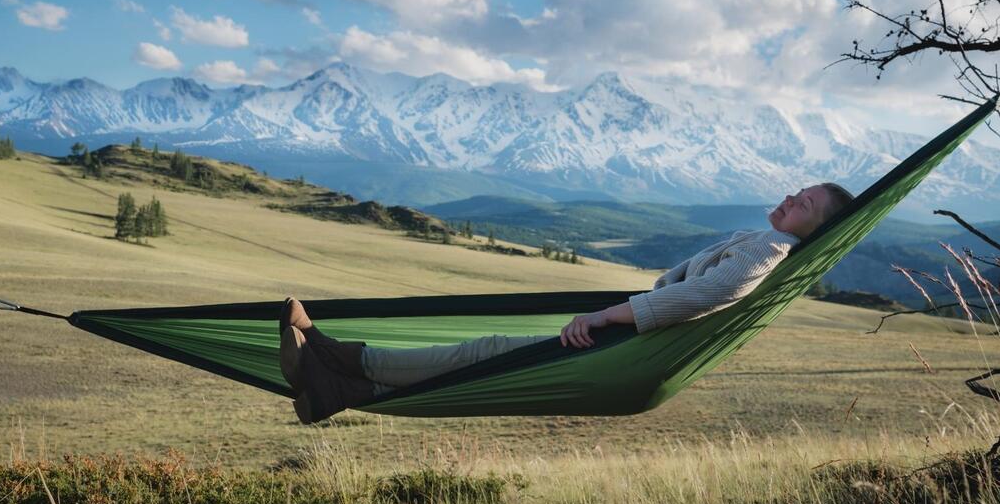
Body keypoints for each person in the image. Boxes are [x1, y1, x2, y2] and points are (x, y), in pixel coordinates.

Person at [280, 182, 855, 424]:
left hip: (630, 348)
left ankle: (336, 358)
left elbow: (703, 294)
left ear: (813, 231)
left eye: (803, 204)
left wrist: (605, 315)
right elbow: (684, 282)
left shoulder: (770, 251)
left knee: (487, 355)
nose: (788, 199)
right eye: (796, 191)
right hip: (636, 347)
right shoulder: (769, 243)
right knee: (483, 364)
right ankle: (337, 387)